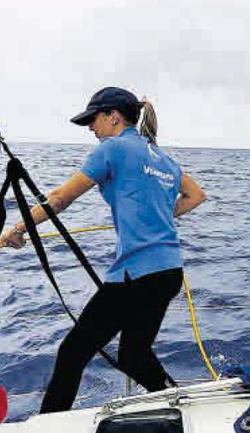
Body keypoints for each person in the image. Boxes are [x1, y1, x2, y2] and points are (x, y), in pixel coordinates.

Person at [0, 87, 207, 413]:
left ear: (114, 116)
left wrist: (16, 229)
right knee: (134, 354)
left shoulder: (112, 149)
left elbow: (59, 199)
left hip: (136, 274)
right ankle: (177, 401)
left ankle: (49, 428)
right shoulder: (160, 157)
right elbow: (196, 195)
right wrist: (155, 214)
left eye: (92, 119)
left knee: (73, 352)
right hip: (168, 272)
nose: (89, 128)